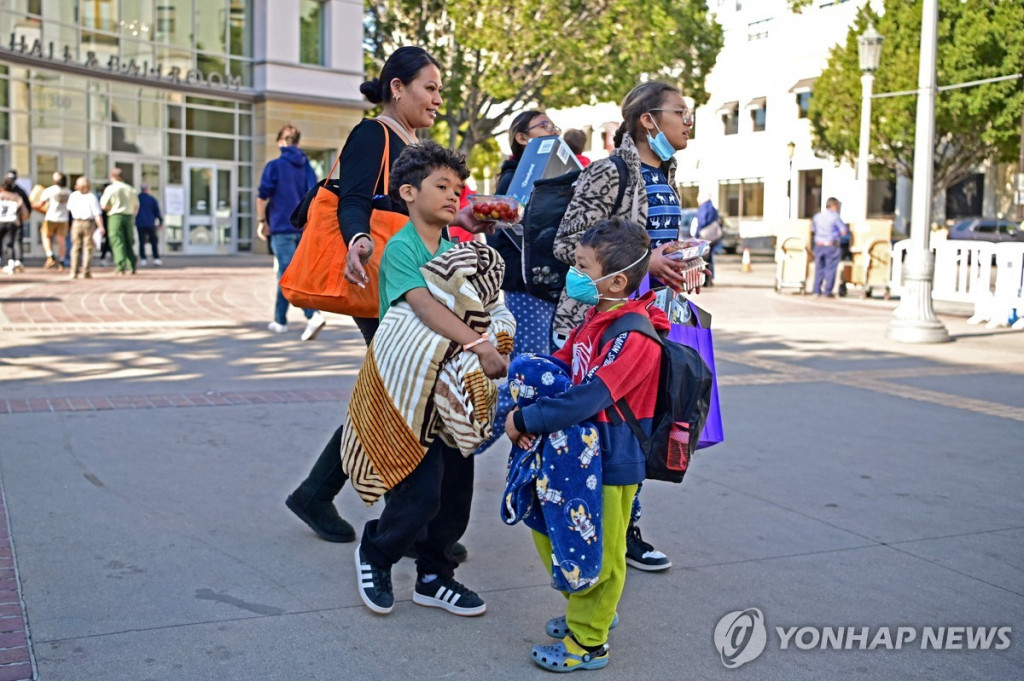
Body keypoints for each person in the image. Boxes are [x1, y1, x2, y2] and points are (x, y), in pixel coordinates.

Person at [286, 47, 485, 561]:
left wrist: (460, 221)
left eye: (440, 89)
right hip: (376, 275)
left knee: (397, 386)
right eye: (430, 87)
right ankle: (416, 527)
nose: (438, 98)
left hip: (401, 277)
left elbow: (411, 209)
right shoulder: (372, 134)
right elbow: (352, 199)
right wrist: (356, 238)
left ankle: (320, 493)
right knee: (409, 388)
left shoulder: (414, 143)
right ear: (397, 87)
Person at [354, 141, 507, 617]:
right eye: (441, 186)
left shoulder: (453, 247)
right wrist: (480, 344)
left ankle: (435, 576)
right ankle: (376, 552)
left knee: (455, 492)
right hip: (408, 392)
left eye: (458, 189)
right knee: (418, 492)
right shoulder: (400, 247)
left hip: (452, 391)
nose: (452, 195)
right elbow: (424, 305)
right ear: (407, 192)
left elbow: (479, 299)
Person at [506, 218, 666, 671]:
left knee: (600, 553)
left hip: (612, 459)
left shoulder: (633, 335)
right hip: (573, 453)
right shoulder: (597, 318)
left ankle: (589, 642)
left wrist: (526, 418)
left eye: (581, 266)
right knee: (556, 533)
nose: (572, 274)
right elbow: (561, 365)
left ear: (616, 280)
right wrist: (517, 371)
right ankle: (588, 610)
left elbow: (591, 394)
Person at [552, 80, 698, 572]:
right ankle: (587, 531)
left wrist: (681, 263)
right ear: (648, 121)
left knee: (638, 430)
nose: (688, 120)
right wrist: (645, 263)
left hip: (648, 326)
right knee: (605, 431)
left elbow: (657, 249)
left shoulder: (667, 174)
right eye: (680, 111)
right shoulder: (608, 173)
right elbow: (566, 245)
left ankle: (622, 531)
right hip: (602, 328)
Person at [256, 124, 325, 340]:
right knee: (285, 274)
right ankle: (279, 321)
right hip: (303, 229)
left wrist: (261, 221)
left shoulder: (274, 166)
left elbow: (262, 197)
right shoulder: (307, 167)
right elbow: (316, 197)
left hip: (281, 228)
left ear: (281, 142)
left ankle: (312, 315)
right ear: (298, 143)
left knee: (288, 275)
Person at [99, 169, 138, 275]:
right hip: (128, 216)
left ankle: (120, 266)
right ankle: (132, 264)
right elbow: (136, 206)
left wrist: (110, 208)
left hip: (115, 216)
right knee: (129, 240)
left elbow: (103, 205)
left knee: (117, 240)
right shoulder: (130, 189)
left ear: (112, 177)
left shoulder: (111, 189)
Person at [67, 176, 105, 279]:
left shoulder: (73, 196)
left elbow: (69, 208)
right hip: (88, 223)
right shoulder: (91, 197)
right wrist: (101, 226)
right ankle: (86, 271)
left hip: (76, 223)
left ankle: (73, 271)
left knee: (75, 247)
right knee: (88, 248)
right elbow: (97, 214)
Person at [811, 197, 848, 297]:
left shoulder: (817, 216)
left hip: (819, 245)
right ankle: (827, 291)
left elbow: (812, 230)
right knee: (830, 268)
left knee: (819, 268)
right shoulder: (835, 217)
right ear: (834, 205)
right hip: (831, 246)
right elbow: (844, 231)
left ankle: (816, 290)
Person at [38, 172, 71, 270]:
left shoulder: (50, 190)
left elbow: (41, 203)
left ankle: (50, 256)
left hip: (51, 217)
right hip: (63, 218)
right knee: (61, 240)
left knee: (45, 236)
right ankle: (61, 260)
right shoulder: (68, 192)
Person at [0, 172, 29, 275]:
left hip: (1, 221)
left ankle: (9, 262)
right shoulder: (17, 196)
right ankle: (13, 261)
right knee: (10, 243)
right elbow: (25, 211)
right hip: (12, 221)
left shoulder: (1, 194)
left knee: (5, 243)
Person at [694, 193, 720, 285]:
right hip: (713, 237)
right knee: (710, 258)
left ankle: (704, 281)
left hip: (704, 237)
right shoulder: (713, 207)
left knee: (703, 259)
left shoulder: (704, 207)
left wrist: (696, 235)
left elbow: (702, 222)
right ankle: (710, 279)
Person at [135, 183, 163, 266]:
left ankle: (143, 258)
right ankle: (156, 258)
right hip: (150, 223)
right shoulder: (152, 199)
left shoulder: (137, 199)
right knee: (153, 241)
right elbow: (157, 211)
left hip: (140, 223)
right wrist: (160, 221)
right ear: (148, 189)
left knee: (142, 241)